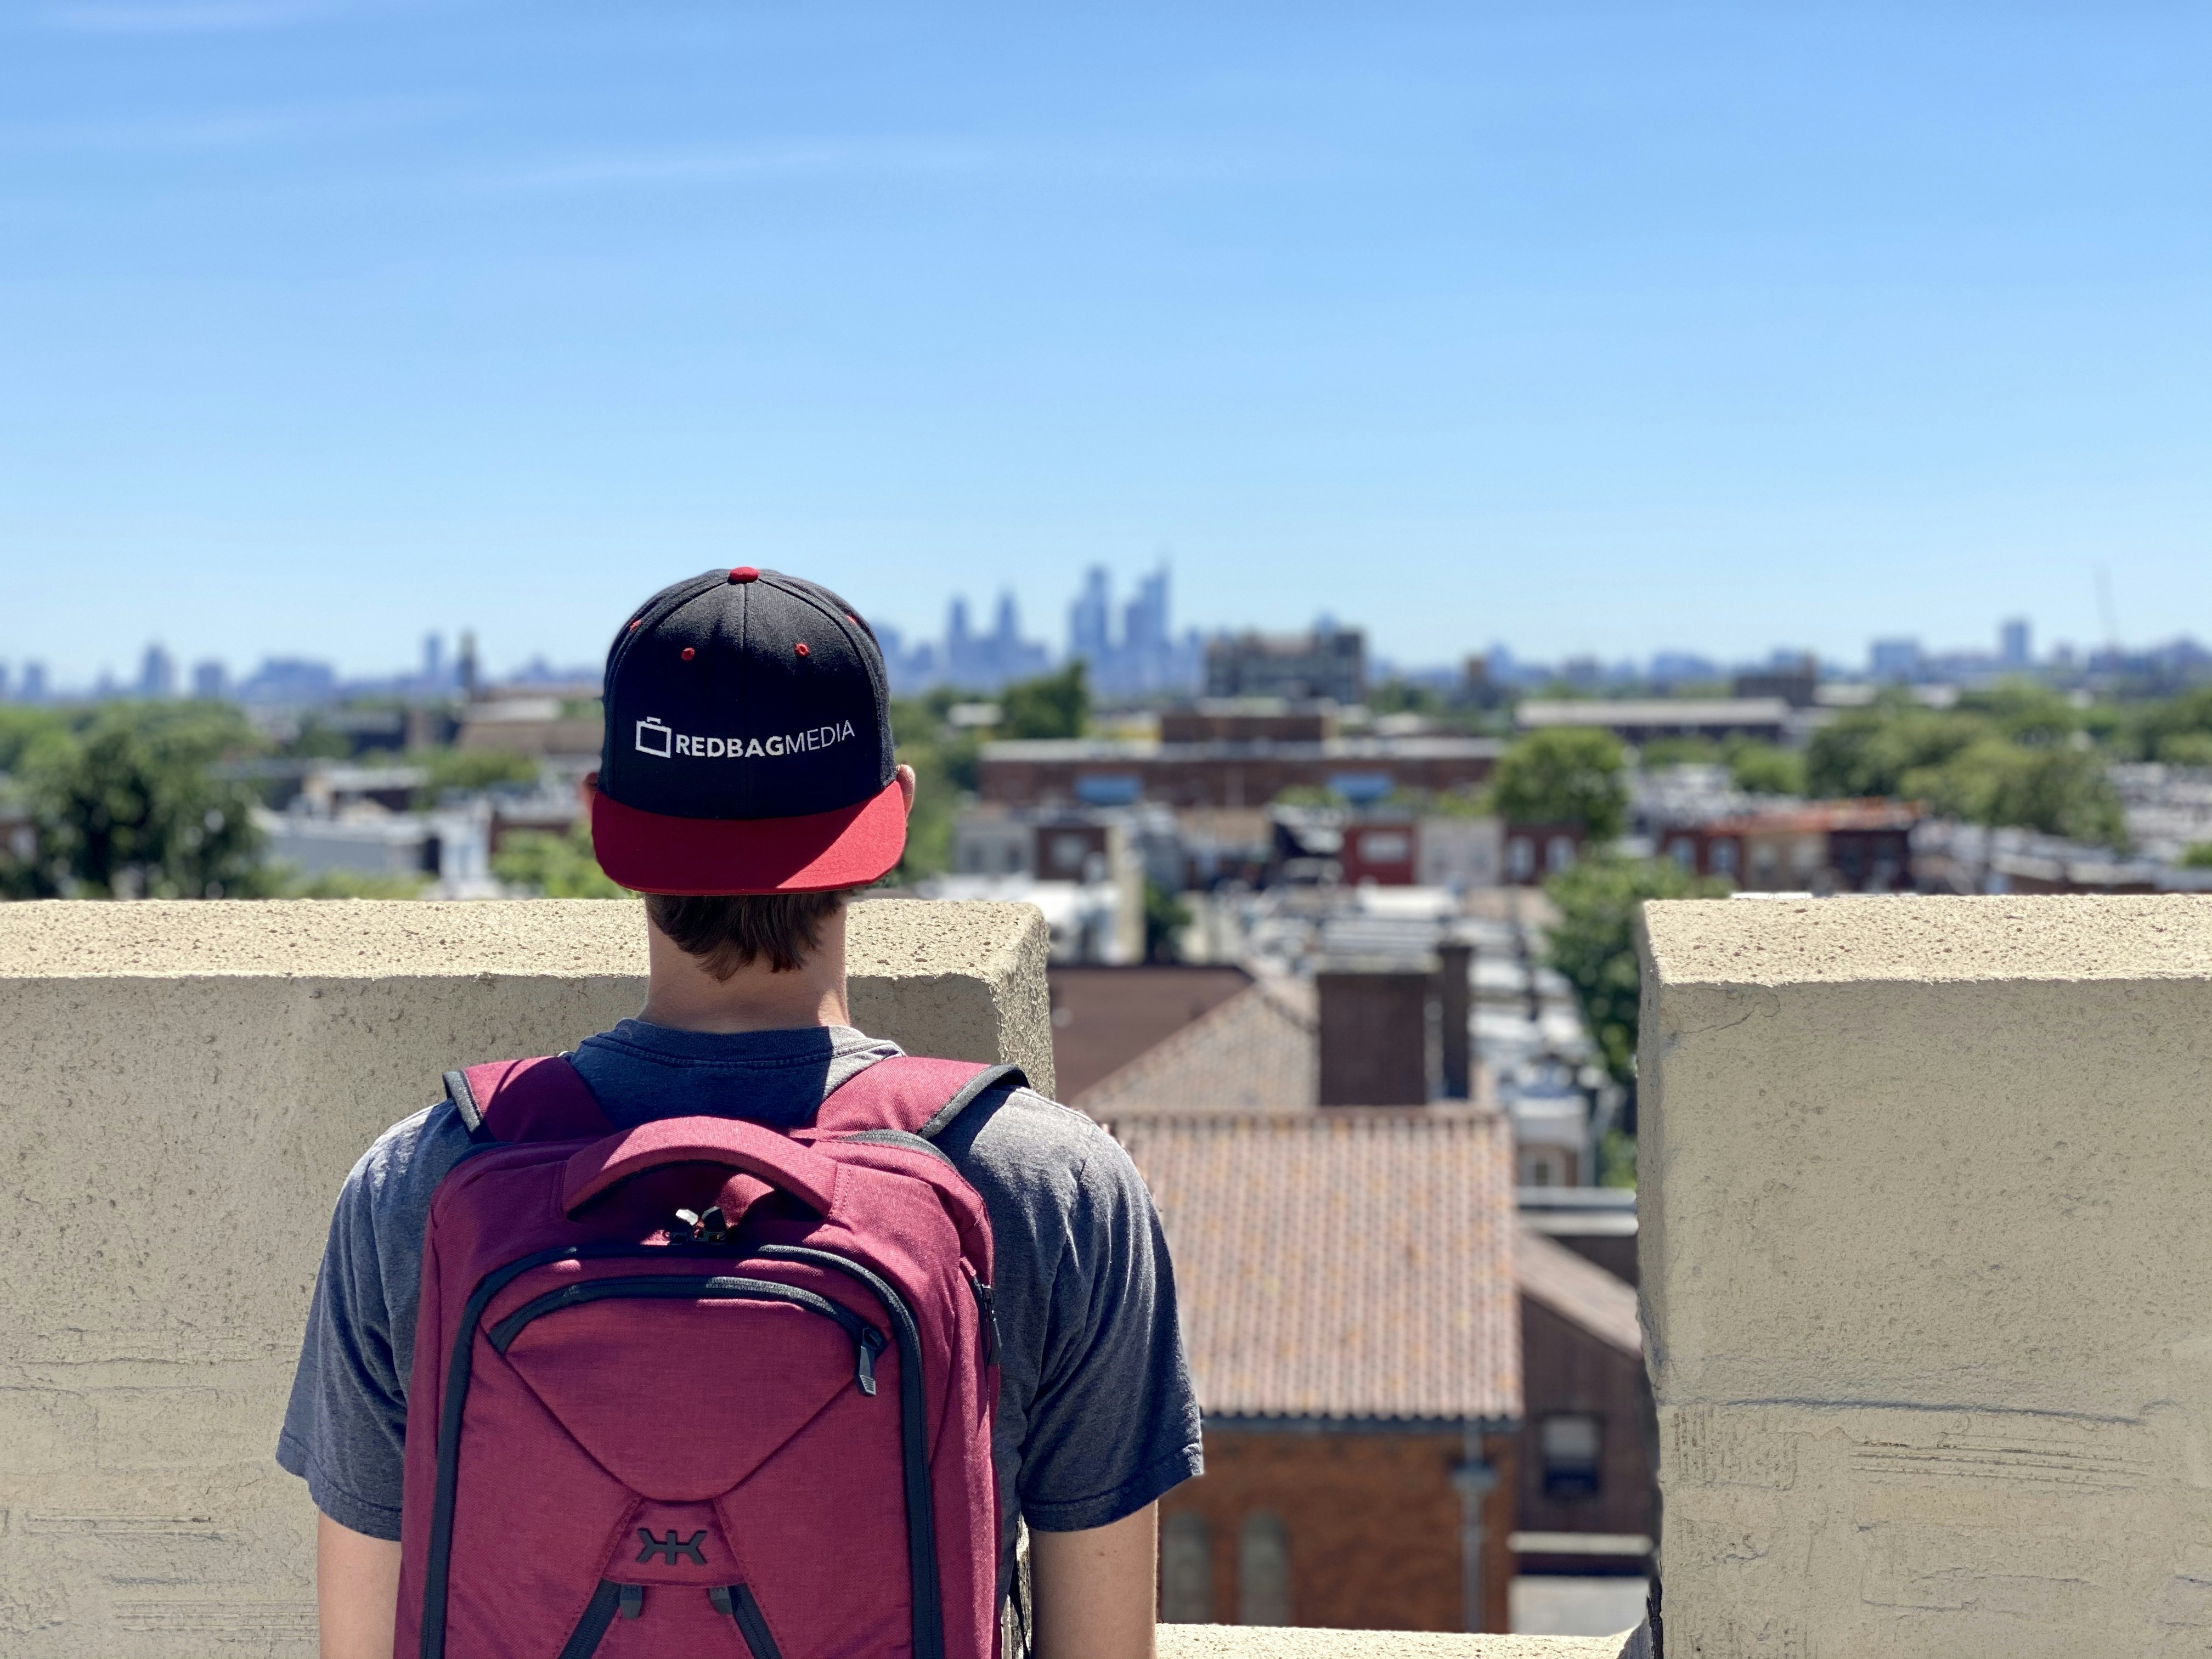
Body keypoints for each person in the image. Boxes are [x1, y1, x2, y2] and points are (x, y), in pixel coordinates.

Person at [278, 567, 1201, 1658]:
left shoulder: (420, 1184)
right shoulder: (1051, 1185)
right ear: (893, 816)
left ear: (601, 823)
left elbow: (365, 1637)